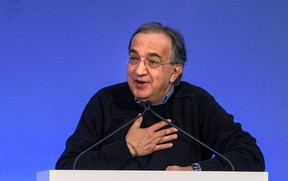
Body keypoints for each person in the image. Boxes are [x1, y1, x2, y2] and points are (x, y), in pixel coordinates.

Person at [56, 22, 265, 171]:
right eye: (133, 58)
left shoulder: (194, 102)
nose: (139, 70)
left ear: (175, 72)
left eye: (153, 62)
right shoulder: (105, 101)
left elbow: (250, 156)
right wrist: (127, 148)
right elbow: (67, 168)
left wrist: (195, 172)